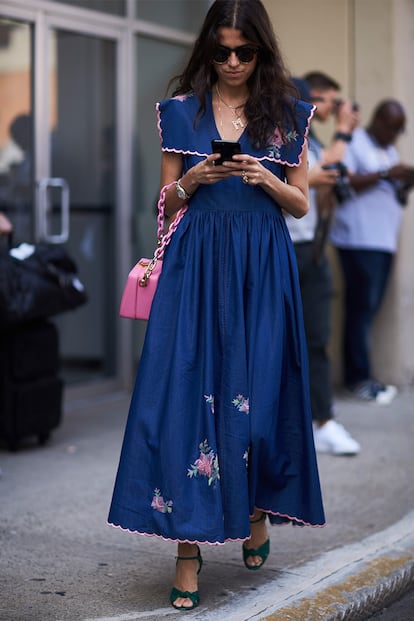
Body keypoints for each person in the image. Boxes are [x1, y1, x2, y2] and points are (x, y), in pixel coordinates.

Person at [108, 0, 325, 611]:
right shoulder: (180, 112)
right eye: (221, 50)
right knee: (182, 402)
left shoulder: (286, 114)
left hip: (263, 267)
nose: (232, 62)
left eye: (244, 51)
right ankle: (187, 550)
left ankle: (255, 506)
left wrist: (265, 178)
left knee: (257, 405)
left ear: (262, 51)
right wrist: (191, 182)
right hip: (196, 268)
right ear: (208, 48)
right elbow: (166, 201)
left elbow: (302, 204)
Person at [285, 74, 360, 456]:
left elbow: (324, 175)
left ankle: (323, 420)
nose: (320, 110)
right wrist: (345, 133)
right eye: (319, 101)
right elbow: (318, 173)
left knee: (315, 338)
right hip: (281, 250)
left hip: (310, 250)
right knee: (278, 344)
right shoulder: (276, 139)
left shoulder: (309, 140)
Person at [330, 99, 414, 403]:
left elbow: (393, 191)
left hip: (382, 242)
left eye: (400, 129)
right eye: (393, 127)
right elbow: (343, 182)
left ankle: (363, 375)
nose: (396, 134)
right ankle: (357, 378)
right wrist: (385, 174)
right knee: (360, 310)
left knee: (369, 310)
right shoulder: (356, 143)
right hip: (358, 240)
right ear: (378, 120)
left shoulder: (388, 150)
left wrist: (405, 181)